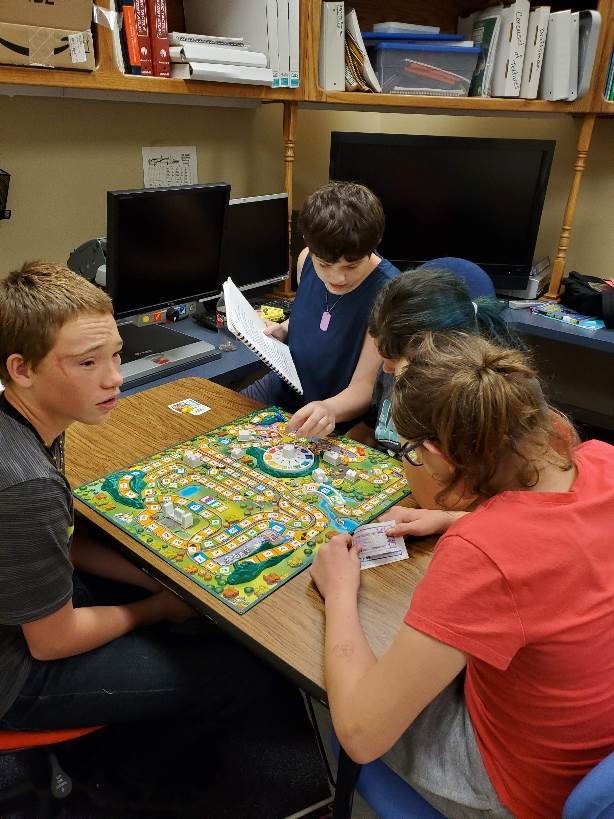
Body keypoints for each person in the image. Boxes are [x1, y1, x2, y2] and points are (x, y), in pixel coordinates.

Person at [310, 331, 614, 819]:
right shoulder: (603, 457)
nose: (410, 463)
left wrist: (341, 593)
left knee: (341, 719)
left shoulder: (481, 556)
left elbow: (363, 734)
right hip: (597, 751)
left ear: (440, 455)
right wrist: (453, 517)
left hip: (528, 789)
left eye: (410, 453)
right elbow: (556, 536)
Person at [0, 262, 293, 733]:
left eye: (116, 355)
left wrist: (153, 582)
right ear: (22, 369)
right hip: (19, 673)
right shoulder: (25, 485)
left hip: (31, 610)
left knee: (173, 594)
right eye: (88, 362)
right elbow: (51, 643)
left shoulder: (27, 417)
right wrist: (155, 608)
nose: (115, 377)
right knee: (239, 670)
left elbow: (63, 541)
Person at [243, 181, 399, 437]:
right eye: (325, 265)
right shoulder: (306, 260)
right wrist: (284, 329)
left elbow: (365, 386)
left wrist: (329, 408)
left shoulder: (389, 294)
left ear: (374, 244)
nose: (337, 278)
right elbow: (313, 314)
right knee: (211, 421)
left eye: (351, 267)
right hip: (283, 387)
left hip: (332, 412)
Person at [353, 262, 520, 454]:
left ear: (436, 358)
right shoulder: (392, 367)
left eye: (394, 360)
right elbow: (369, 429)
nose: (385, 369)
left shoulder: (471, 403)